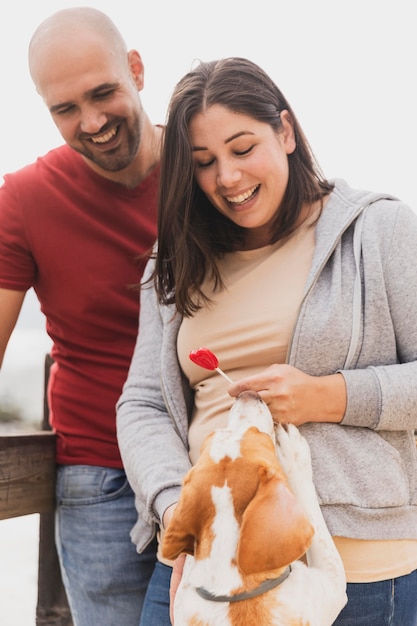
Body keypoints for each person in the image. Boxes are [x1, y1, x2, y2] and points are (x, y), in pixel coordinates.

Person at [116, 56, 417, 625]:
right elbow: (143, 404)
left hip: (355, 575)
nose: (226, 177)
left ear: (285, 130)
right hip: (203, 570)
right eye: (203, 162)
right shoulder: (174, 261)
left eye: (242, 148)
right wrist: (178, 507)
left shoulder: (379, 232)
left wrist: (327, 396)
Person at [0, 8, 161, 626]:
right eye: (65, 108)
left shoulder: (210, 171)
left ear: (136, 71)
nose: (91, 123)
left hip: (212, 460)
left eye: (103, 93)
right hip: (102, 478)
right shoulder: (24, 199)